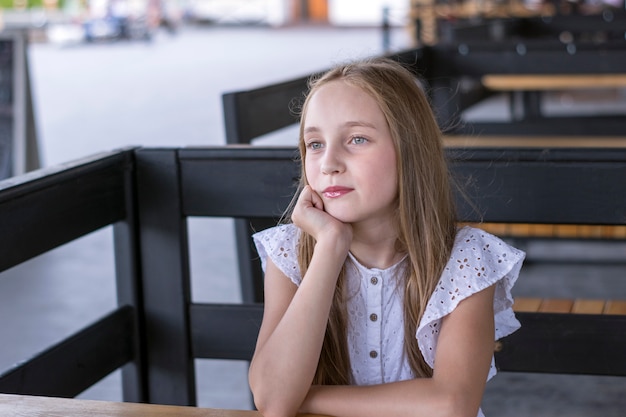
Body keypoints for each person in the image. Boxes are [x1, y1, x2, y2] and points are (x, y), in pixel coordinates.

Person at [248, 57, 525, 417]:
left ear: (409, 150)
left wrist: (302, 397)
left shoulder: (465, 259)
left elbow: (451, 405)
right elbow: (270, 398)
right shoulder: (290, 252)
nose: (328, 162)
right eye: (314, 144)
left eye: (357, 139)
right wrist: (329, 248)